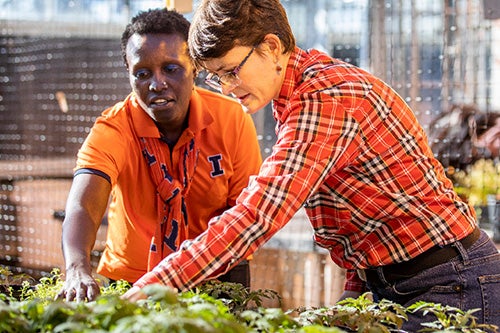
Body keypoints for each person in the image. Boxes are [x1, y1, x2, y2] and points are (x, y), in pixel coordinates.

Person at [123, 0, 500, 331]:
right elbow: (362, 216)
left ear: (271, 47)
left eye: (231, 71)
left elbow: (258, 214)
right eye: (216, 77)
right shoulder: (294, 96)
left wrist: (157, 284)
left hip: (452, 285)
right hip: (409, 282)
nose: (225, 87)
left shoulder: (325, 98)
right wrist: (352, 302)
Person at [56, 7, 262, 302]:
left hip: (218, 273)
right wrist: (76, 269)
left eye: (170, 68)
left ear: (194, 67)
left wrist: (191, 270)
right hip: (132, 281)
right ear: (129, 75)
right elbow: (83, 206)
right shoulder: (113, 129)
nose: (156, 83)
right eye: (142, 73)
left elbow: (245, 213)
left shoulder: (232, 119)